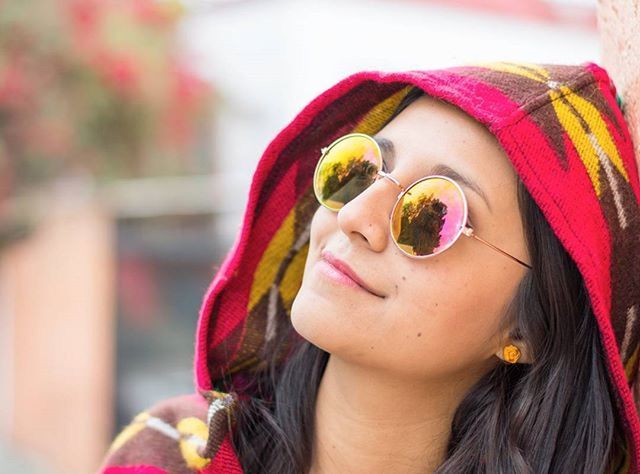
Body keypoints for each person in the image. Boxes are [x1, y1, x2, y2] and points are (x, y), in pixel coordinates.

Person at [98, 61, 640, 473]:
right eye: (361, 170)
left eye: (433, 213)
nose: (355, 216)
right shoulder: (170, 455)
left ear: (529, 325)